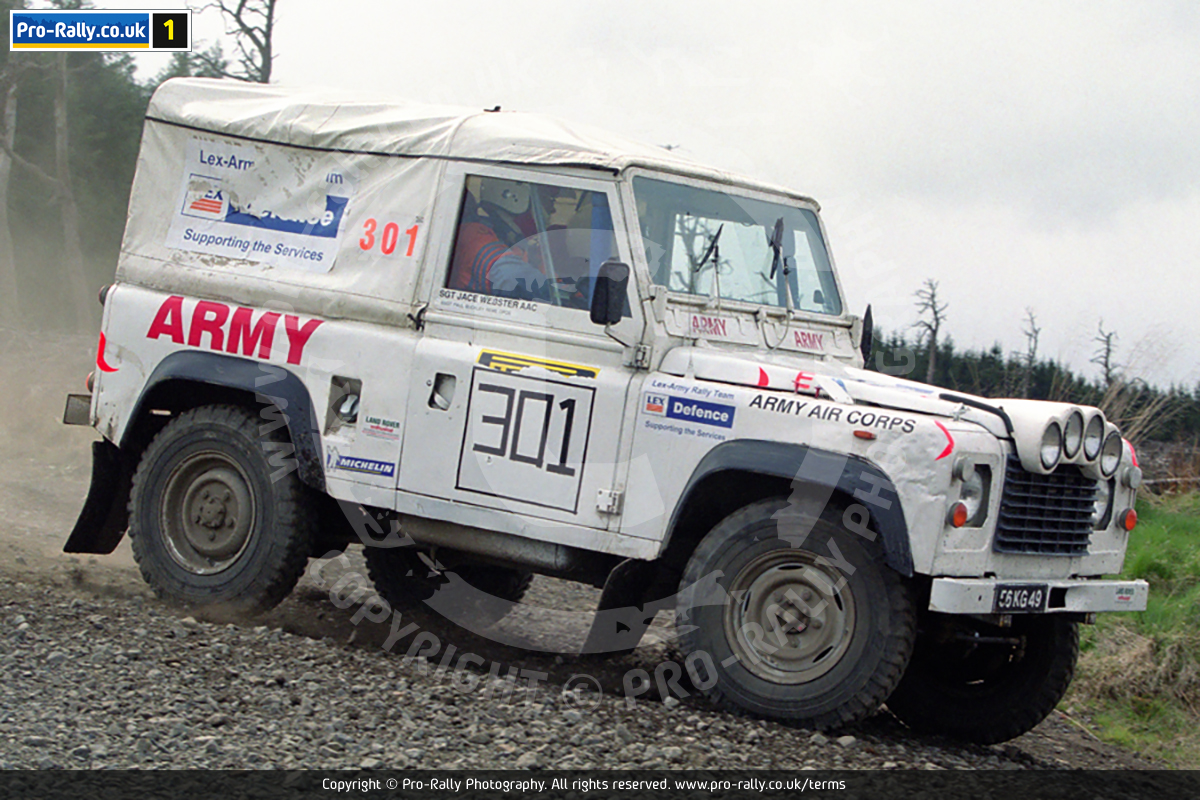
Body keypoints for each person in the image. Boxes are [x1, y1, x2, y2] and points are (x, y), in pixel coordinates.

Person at [449, 178, 552, 300]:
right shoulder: (477, 236)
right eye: (548, 200)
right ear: (515, 199)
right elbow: (508, 274)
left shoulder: (502, 235)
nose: (552, 209)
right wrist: (560, 291)